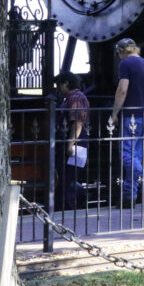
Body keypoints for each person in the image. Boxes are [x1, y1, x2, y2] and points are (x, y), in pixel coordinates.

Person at [107, 38, 144, 209]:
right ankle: (128, 196)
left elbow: (122, 89)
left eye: (118, 53)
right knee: (135, 156)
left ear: (123, 50)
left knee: (126, 155)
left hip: (131, 116)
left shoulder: (126, 64)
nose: (118, 57)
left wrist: (114, 113)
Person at [55, 71, 89, 210]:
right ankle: (64, 205)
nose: (58, 88)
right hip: (75, 142)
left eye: (59, 85)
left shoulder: (75, 98)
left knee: (67, 177)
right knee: (65, 177)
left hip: (74, 143)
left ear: (66, 83)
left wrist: (70, 144)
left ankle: (66, 207)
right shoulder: (74, 97)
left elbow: (77, 123)